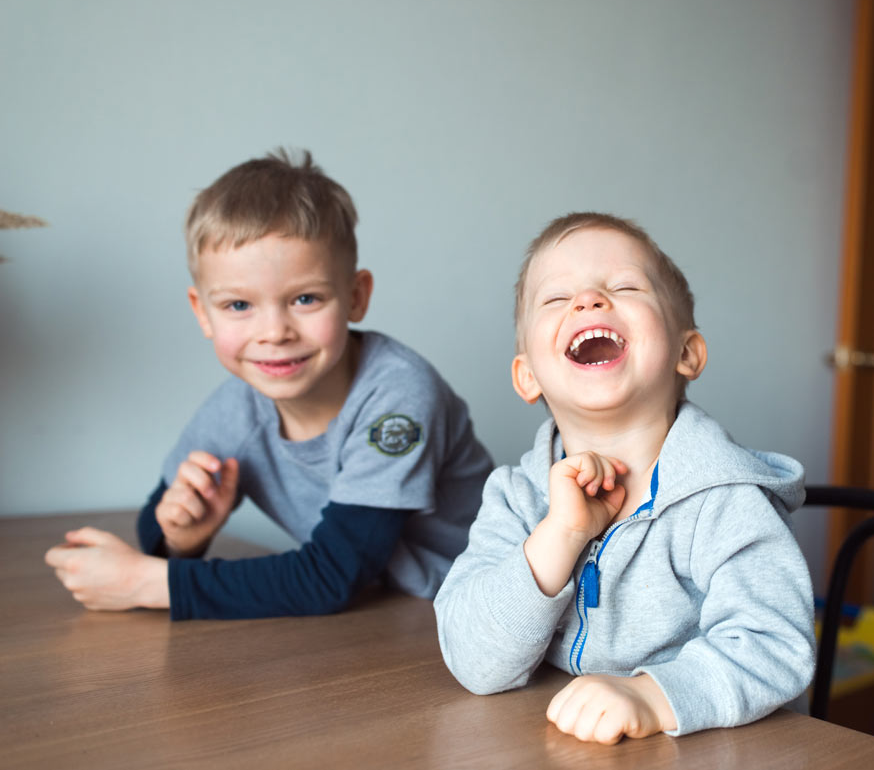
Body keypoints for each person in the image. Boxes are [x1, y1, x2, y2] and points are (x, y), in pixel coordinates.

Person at [44, 149, 492, 619]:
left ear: (356, 297)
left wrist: (146, 583)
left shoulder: (398, 396)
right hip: (390, 615)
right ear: (202, 312)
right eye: (239, 305)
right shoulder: (237, 407)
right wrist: (182, 537)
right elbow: (156, 519)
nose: (274, 332)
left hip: (478, 613)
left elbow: (331, 576)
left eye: (305, 298)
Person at [433, 212, 814, 744]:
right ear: (527, 376)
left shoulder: (726, 499)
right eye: (555, 298)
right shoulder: (516, 497)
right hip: (559, 743)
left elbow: (775, 646)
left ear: (687, 353)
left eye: (625, 286)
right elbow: (474, 661)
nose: (588, 299)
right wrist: (560, 535)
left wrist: (650, 696)